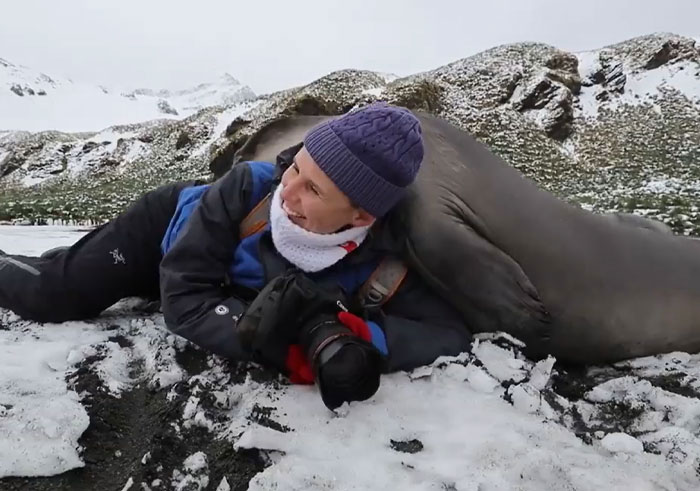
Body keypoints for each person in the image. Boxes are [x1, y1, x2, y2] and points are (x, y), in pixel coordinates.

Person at [0, 102, 472, 409]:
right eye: (297, 166)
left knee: (82, 269)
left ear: (362, 215)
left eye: (313, 189)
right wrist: (281, 343)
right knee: (53, 292)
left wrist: (360, 334)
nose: (288, 189)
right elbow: (184, 300)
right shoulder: (249, 187)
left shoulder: (382, 265)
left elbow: (448, 331)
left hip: (217, 279)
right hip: (165, 233)